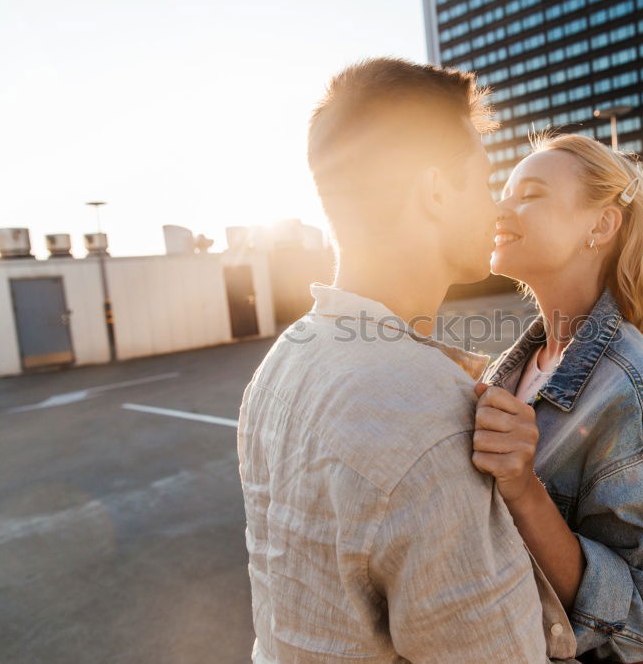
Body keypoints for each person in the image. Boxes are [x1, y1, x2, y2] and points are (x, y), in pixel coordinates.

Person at [236, 58, 577, 663]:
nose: (496, 210)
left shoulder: (282, 362)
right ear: (436, 191)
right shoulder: (429, 414)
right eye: (482, 180)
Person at [471, 133, 643, 663]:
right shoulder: (508, 368)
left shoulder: (641, 390)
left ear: (601, 225)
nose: (500, 207)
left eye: (529, 194)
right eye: (503, 192)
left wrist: (523, 487)